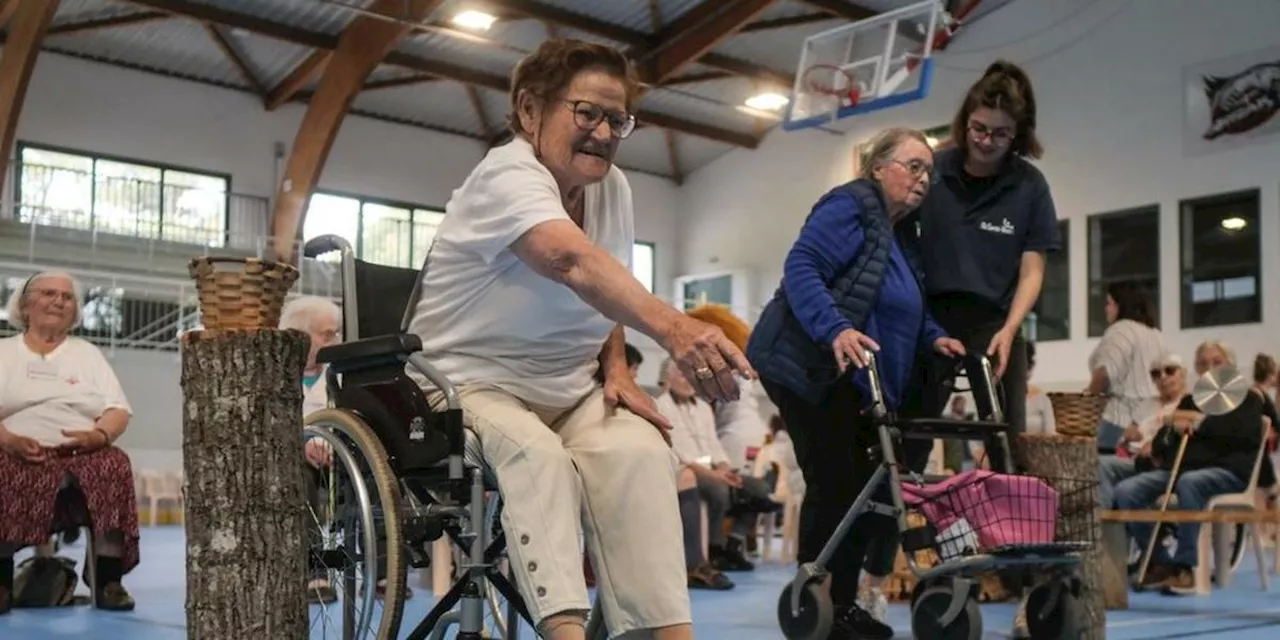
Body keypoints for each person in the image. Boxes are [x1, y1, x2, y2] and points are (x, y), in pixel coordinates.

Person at [405, 38, 751, 640]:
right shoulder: (506, 175)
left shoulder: (611, 186)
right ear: (531, 110)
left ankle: (662, 632)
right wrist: (674, 328)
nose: (603, 132)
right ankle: (564, 631)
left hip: (569, 388)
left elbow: (605, 279)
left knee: (645, 453)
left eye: (618, 120)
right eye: (586, 112)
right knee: (535, 456)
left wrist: (616, 367)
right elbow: (570, 261)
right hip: (466, 383)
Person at [747, 127, 965, 639]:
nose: (923, 178)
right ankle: (816, 601)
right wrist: (835, 328)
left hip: (853, 379)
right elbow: (802, 267)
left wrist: (935, 338)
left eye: (928, 171)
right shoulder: (852, 204)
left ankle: (840, 605)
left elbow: (907, 304)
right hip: (804, 366)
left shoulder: (900, 233)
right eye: (913, 165)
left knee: (867, 488)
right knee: (836, 480)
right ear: (877, 167)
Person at [908, 60, 1060, 444]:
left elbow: (1032, 271)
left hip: (994, 322)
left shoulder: (1029, 186)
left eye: (1000, 134)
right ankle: (903, 500)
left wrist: (1011, 329)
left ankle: (1008, 497)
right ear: (964, 122)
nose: (986, 141)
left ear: (1017, 135)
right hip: (929, 317)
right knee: (910, 432)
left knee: (1007, 438)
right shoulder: (935, 170)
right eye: (979, 129)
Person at [0, 272, 139, 614]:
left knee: (114, 463)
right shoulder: (4, 352)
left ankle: (109, 581)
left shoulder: (87, 353)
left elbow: (118, 409)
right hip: (12, 448)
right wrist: (9, 440)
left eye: (67, 297)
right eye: (49, 293)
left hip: (82, 453)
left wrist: (99, 435)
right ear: (25, 304)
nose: (59, 301)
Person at [1113, 340, 1264, 594]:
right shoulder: (1191, 401)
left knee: (1189, 483)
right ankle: (1160, 562)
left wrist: (1201, 424)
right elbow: (1161, 444)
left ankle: (1185, 568)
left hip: (1227, 472)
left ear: (1230, 366)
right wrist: (1172, 428)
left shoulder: (1247, 398)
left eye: (1217, 362)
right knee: (1126, 491)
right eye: (1203, 364)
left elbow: (1245, 435)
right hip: (1181, 470)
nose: (1209, 368)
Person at [1097, 352, 1188, 511]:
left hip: (1161, 463)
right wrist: (1126, 438)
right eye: (1156, 374)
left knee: (1111, 473)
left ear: (1183, 373)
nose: (1163, 377)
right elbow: (1129, 434)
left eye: (1170, 370)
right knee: (1099, 463)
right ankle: (1109, 521)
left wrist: (1154, 446)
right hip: (1134, 459)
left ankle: (1116, 524)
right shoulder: (1148, 404)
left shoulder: (1188, 403)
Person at [1085, 282, 1165, 452]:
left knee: (1099, 470)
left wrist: (1087, 400)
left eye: (1108, 303)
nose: (1106, 309)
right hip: (1151, 416)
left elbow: (1105, 373)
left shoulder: (1121, 330)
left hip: (1119, 420)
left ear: (1120, 305)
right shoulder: (1156, 334)